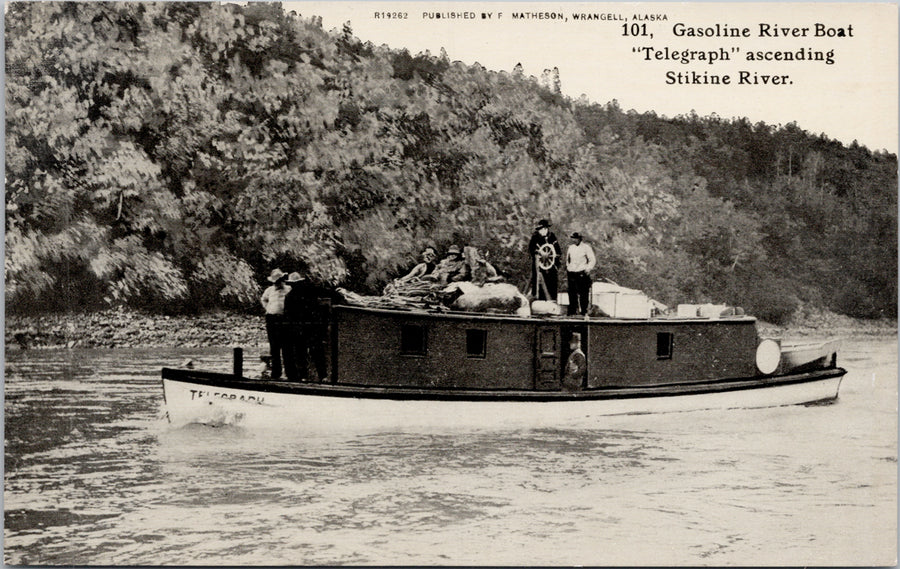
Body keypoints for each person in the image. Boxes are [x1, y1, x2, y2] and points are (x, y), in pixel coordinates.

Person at [283, 271, 334, 382]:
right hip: (308, 327)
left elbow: (288, 315)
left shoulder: (291, 296)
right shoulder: (308, 293)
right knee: (312, 352)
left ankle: (307, 376)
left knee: (303, 353)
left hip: (303, 328)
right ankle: (321, 375)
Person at [260, 268, 289, 379]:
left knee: (286, 346)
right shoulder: (269, 290)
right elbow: (263, 299)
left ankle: (288, 372)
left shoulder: (288, 289)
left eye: (279, 280)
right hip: (271, 318)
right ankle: (276, 372)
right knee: (274, 346)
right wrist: (267, 308)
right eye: (275, 281)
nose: (277, 283)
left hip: (284, 319)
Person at [527, 219, 561, 301]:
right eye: (539, 230)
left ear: (546, 229)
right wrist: (539, 252)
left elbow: (557, 251)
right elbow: (531, 249)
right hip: (539, 266)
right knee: (538, 282)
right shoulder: (535, 237)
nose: (540, 231)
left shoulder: (552, 237)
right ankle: (538, 299)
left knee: (552, 283)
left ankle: (552, 300)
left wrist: (554, 260)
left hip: (551, 267)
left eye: (541, 229)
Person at [566, 232, 596, 315]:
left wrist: (588, 268)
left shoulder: (586, 248)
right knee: (572, 292)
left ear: (580, 239)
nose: (574, 240)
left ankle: (584, 311)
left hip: (581, 272)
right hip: (572, 272)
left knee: (583, 293)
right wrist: (569, 268)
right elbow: (568, 260)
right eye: (573, 238)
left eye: (576, 238)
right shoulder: (571, 248)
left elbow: (592, 259)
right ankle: (572, 311)